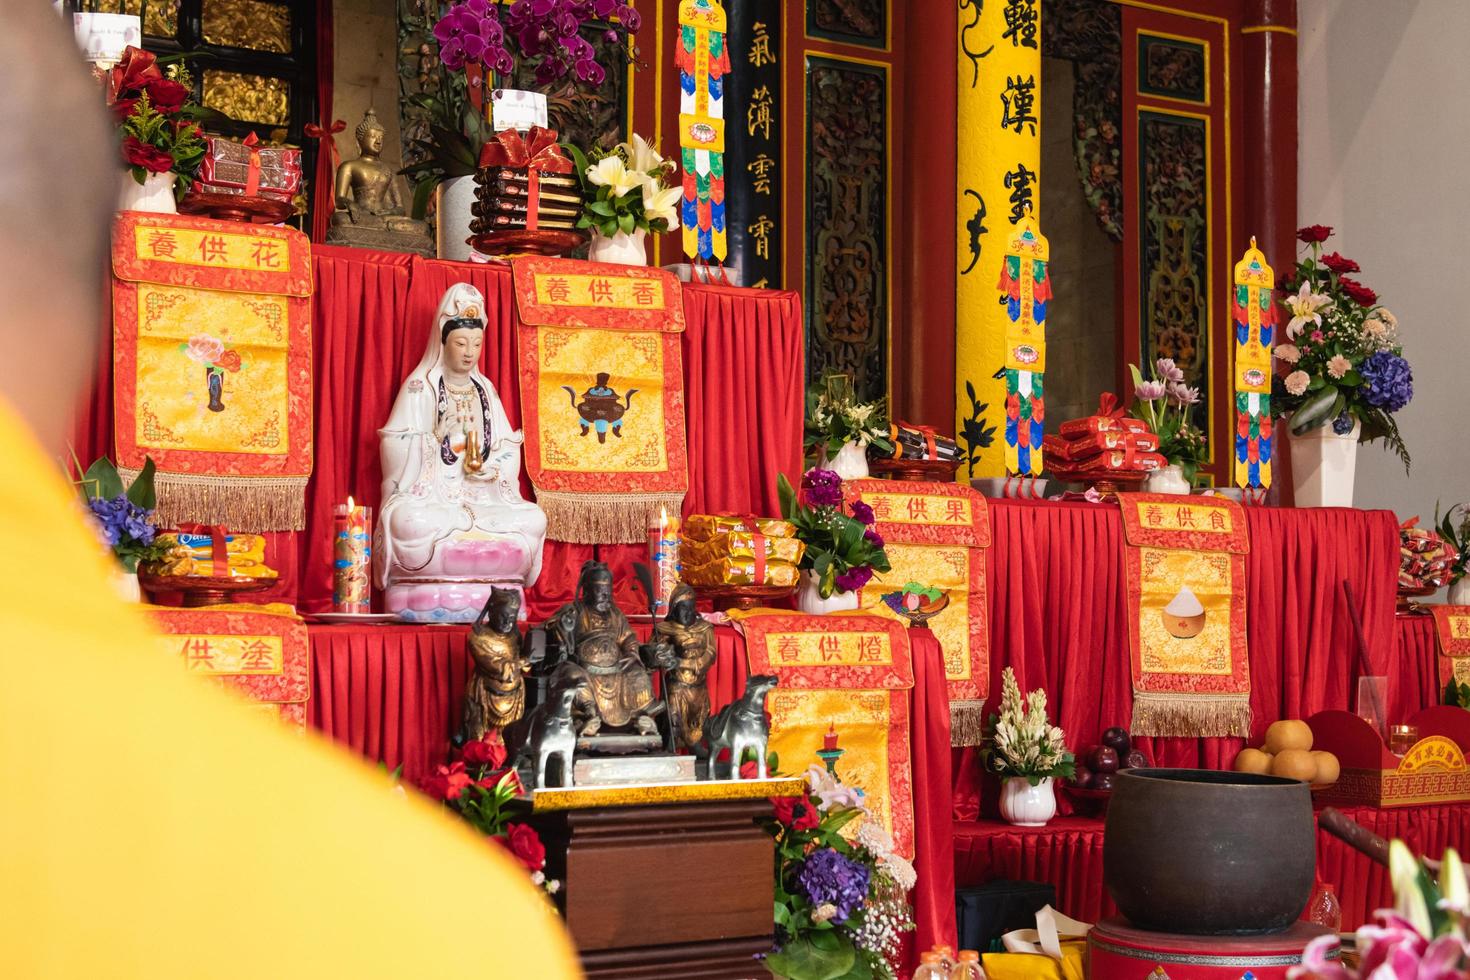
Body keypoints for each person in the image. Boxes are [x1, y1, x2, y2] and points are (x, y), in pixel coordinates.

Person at [0, 7, 580, 977]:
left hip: (475, 506)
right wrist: (431, 454)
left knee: (524, 517)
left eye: (480, 339)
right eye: (462, 338)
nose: (471, 350)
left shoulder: (480, 390)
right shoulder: (461, 930)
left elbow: (503, 463)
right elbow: (402, 455)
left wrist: (491, 458)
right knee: (417, 520)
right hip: (430, 515)